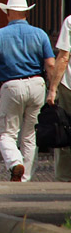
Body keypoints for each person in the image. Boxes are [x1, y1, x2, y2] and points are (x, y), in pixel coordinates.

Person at [0, 0, 55, 182]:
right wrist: (52, 89)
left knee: (6, 134)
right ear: (26, 12)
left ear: (8, 13)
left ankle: (15, 162)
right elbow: (50, 64)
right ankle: (25, 178)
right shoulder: (40, 34)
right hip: (37, 85)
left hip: (11, 86)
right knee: (30, 134)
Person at [49, 12, 71, 182]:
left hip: (69, 87)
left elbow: (63, 57)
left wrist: (53, 89)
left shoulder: (70, 22)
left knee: (66, 129)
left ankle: (64, 176)